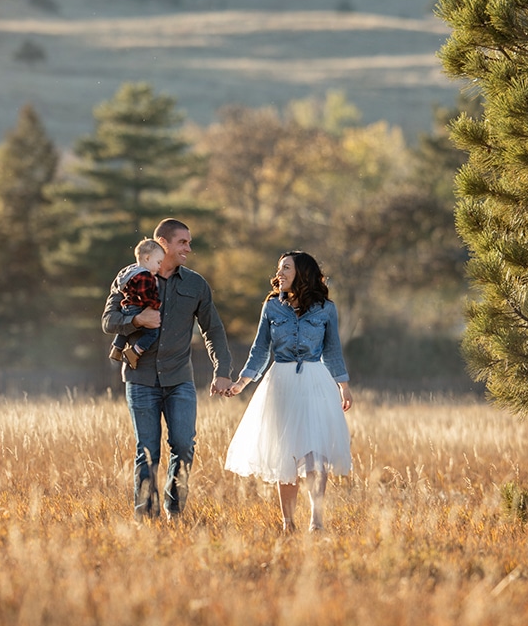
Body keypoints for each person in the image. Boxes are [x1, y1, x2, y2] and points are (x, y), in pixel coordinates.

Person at [102, 218, 235, 519]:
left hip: (179, 380)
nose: (189, 247)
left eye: (189, 242)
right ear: (162, 243)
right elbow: (108, 321)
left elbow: (213, 330)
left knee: (184, 446)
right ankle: (145, 518)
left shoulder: (196, 284)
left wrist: (222, 370)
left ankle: (174, 511)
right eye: (182, 242)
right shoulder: (129, 278)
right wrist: (137, 321)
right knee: (147, 450)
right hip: (140, 378)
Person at [224, 251, 353, 532]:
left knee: (314, 453)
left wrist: (343, 386)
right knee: (285, 452)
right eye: (279, 268)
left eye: (286, 268)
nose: (279, 273)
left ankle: (316, 521)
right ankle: (288, 523)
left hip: (314, 381)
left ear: (302, 273)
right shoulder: (271, 307)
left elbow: (332, 350)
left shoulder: (325, 309)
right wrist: (242, 382)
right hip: (280, 382)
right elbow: (260, 349)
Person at [108, 238, 166, 369]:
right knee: (152, 333)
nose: (159, 266)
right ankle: (134, 352)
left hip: (127, 307)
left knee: (125, 330)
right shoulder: (145, 276)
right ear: (147, 258)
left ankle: (117, 348)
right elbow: (145, 295)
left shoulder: (130, 273)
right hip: (137, 308)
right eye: (158, 262)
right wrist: (156, 304)